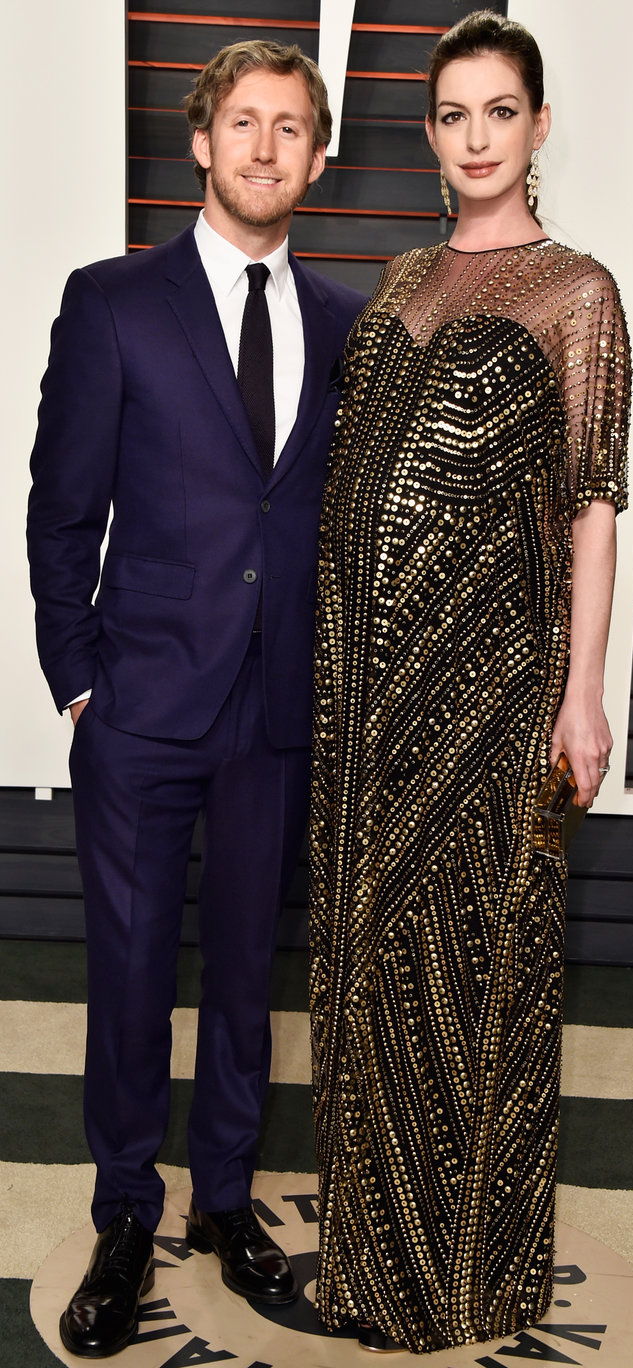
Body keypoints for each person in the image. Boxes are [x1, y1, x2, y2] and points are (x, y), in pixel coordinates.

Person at [27, 38, 363, 1359]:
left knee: (241, 977)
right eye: (244, 123)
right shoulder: (114, 303)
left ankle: (226, 1203)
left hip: (276, 711)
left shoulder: (346, 323)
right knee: (126, 974)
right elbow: (61, 512)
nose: (265, 147)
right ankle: (125, 1213)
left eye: (290, 128)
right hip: (142, 708)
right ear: (203, 140)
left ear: (318, 158)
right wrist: (76, 683)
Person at [309, 9, 630, 1355]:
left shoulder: (578, 292)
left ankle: (469, 1283)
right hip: (364, 691)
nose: (476, 136)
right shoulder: (398, 281)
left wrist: (584, 694)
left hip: (497, 694)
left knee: (483, 965)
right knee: (369, 965)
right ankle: (371, 1264)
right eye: (453, 115)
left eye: (500, 110)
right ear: (431, 134)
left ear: (538, 127)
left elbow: (595, 504)